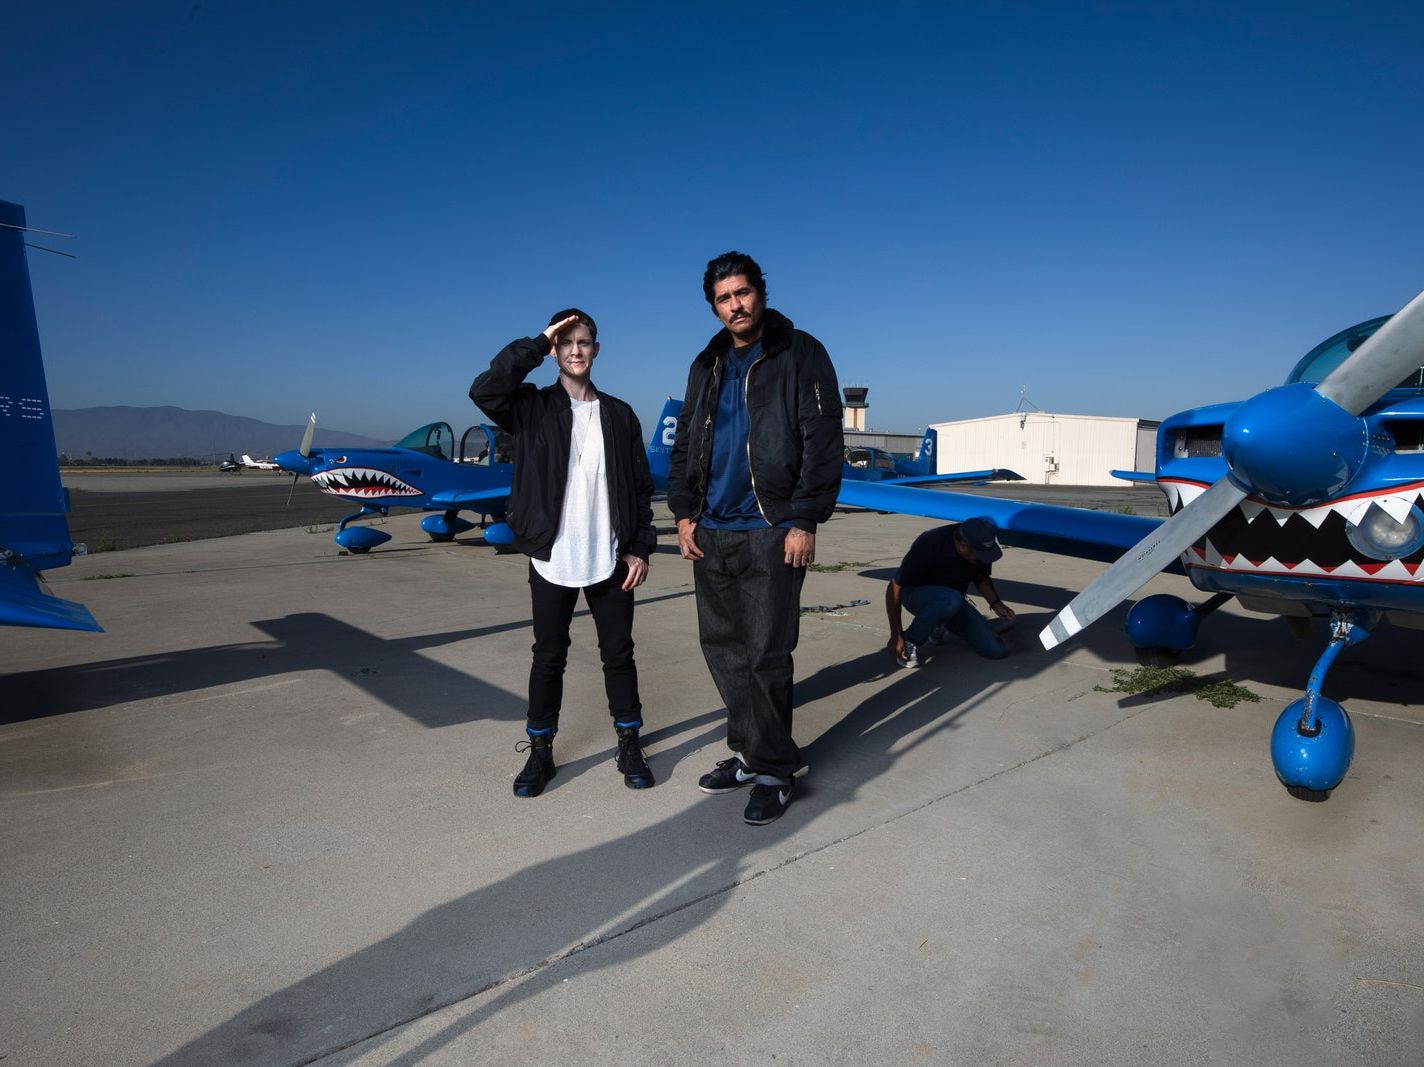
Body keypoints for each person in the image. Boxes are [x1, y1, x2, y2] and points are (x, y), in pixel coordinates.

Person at [668, 251, 844, 826]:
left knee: (768, 652)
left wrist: (804, 519)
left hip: (772, 528)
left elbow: (822, 441)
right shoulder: (707, 362)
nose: (735, 305)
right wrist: (684, 513)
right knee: (723, 648)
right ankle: (749, 751)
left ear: (760, 292)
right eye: (723, 298)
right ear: (713, 307)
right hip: (712, 529)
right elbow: (688, 439)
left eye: (742, 292)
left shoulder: (800, 352)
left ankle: (773, 771)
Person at [470, 309, 657, 797]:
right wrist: (536, 340)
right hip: (551, 558)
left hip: (610, 560)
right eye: (566, 341)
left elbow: (639, 489)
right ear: (554, 349)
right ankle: (540, 750)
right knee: (548, 656)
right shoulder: (531, 408)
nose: (576, 349)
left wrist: (639, 548)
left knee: (619, 655)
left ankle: (629, 742)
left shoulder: (620, 415)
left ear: (597, 349)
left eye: (585, 341)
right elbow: (486, 389)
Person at [886, 517, 1016, 668]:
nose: (981, 559)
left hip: (953, 602)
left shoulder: (979, 546)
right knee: (951, 599)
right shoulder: (930, 543)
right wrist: (896, 633)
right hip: (916, 595)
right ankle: (910, 641)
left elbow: (981, 576)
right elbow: (895, 587)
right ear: (963, 545)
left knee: (996, 651)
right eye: (978, 555)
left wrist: (996, 603)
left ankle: (940, 622)